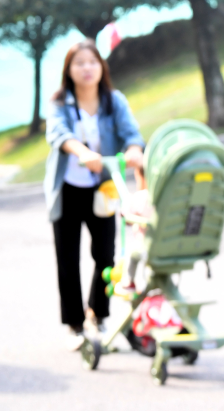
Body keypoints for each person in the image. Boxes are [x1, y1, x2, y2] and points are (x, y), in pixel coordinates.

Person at [45, 38, 144, 349]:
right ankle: (74, 325)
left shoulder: (114, 101)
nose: (87, 68)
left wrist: (134, 152)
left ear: (102, 67)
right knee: (68, 257)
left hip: (103, 188)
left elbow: (132, 135)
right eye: (79, 63)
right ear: (69, 70)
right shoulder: (60, 102)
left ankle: (97, 314)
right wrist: (81, 152)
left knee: (105, 256)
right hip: (69, 190)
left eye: (92, 62)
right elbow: (58, 134)